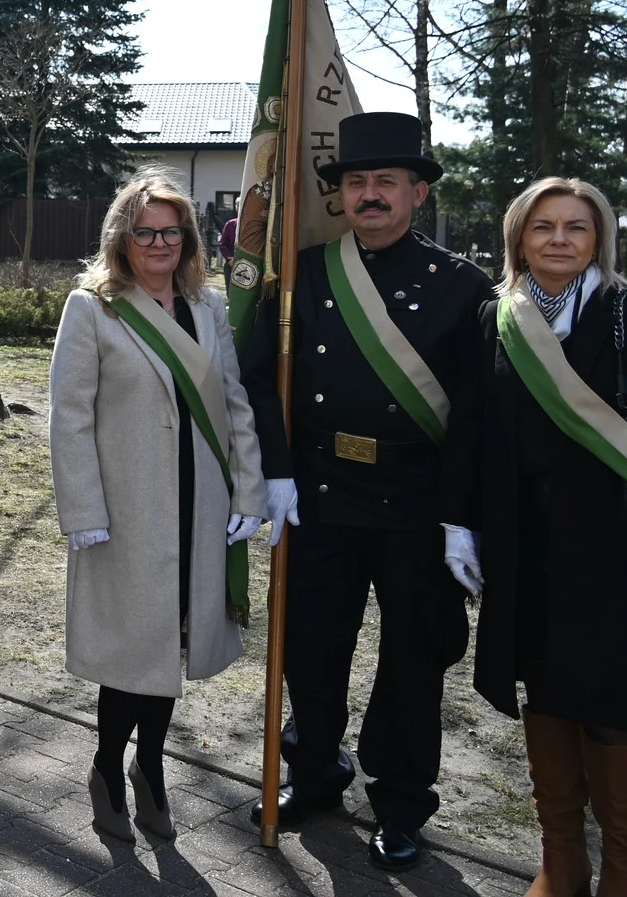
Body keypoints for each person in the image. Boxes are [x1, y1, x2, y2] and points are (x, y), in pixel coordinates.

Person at [445, 178, 627, 897]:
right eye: (542, 226)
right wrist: (459, 520)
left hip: (620, 557)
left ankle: (623, 874)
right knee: (547, 699)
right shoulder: (496, 316)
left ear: (598, 238)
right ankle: (561, 862)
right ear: (519, 238)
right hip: (528, 552)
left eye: (576, 226)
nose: (559, 239)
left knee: (613, 711)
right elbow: (471, 429)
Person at [242, 111, 491, 871]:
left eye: (387, 180)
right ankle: (316, 770)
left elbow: (478, 414)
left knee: (413, 660)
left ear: (419, 192)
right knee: (311, 649)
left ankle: (401, 801)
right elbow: (258, 378)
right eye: (357, 181)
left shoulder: (464, 286)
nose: (371, 194)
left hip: (417, 504)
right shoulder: (304, 273)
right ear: (340, 194)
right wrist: (276, 470)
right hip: (320, 495)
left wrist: (461, 515)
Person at [48, 170, 266, 844]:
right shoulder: (93, 308)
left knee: (172, 644)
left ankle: (151, 767)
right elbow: (69, 417)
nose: (160, 243)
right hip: (127, 513)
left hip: (200, 506)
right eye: (145, 232)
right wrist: (83, 510)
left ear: (188, 238)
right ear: (123, 238)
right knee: (132, 652)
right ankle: (107, 768)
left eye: (172, 232)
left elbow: (234, 402)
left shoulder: (207, 307)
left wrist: (249, 489)